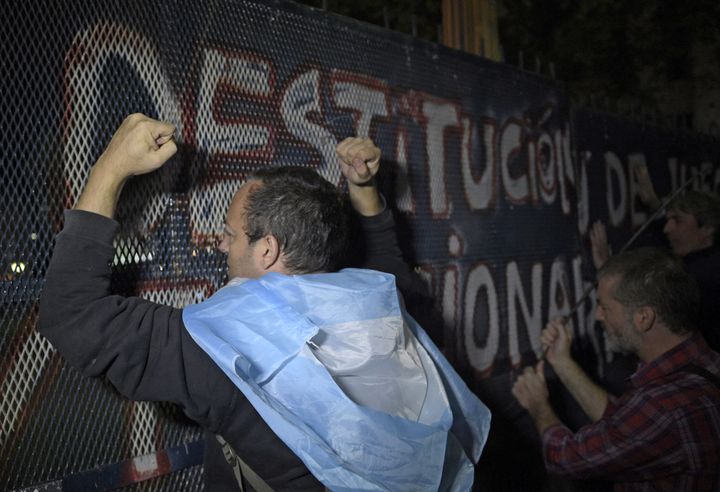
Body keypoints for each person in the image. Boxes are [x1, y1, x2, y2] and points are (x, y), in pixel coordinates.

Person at [38, 113, 490, 491]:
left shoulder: (229, 353)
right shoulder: (378, 305)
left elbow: (73, 314)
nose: (222, 242)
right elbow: (391, 267)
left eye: (232, 234)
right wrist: (364, 187)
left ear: (267, 250)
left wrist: (109, 169)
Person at [511, 247, 720, 491]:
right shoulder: (704, 362)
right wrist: (562, 362)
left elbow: (565, 458)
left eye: (605, 307)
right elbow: (621, 421)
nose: (598, 315)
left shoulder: (663, 405)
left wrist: (539, 406)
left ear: (643, 317)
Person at [591, 189, 720, 352]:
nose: (668, 228)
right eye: (668, 220)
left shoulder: (703, 275)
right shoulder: (703, 262)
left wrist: (607, 271)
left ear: (707, 228)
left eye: (678, 221)